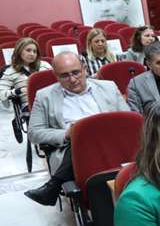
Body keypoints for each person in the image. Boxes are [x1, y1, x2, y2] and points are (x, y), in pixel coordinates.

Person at [24, 52, 129, 206]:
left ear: (85, 69)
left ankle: (54, 184)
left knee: (90, 133)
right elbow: (34, 133)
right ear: (56, 76)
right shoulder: (44, 96)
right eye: (64, 76)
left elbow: (128, 119)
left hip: (112, 142)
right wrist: (66, 134)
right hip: (72, 147)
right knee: (83, 137)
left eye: (76, 73)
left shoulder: (108, 87)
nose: (72, 79)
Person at [0, 37, 52, 109]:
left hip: (51, 103)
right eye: (28, 50)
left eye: (35, 51)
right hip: (31, 108)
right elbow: (1, 93)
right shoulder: (10, 71)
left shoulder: (45, 65)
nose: (32, 54)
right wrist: (19, 91)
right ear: (19, 51)